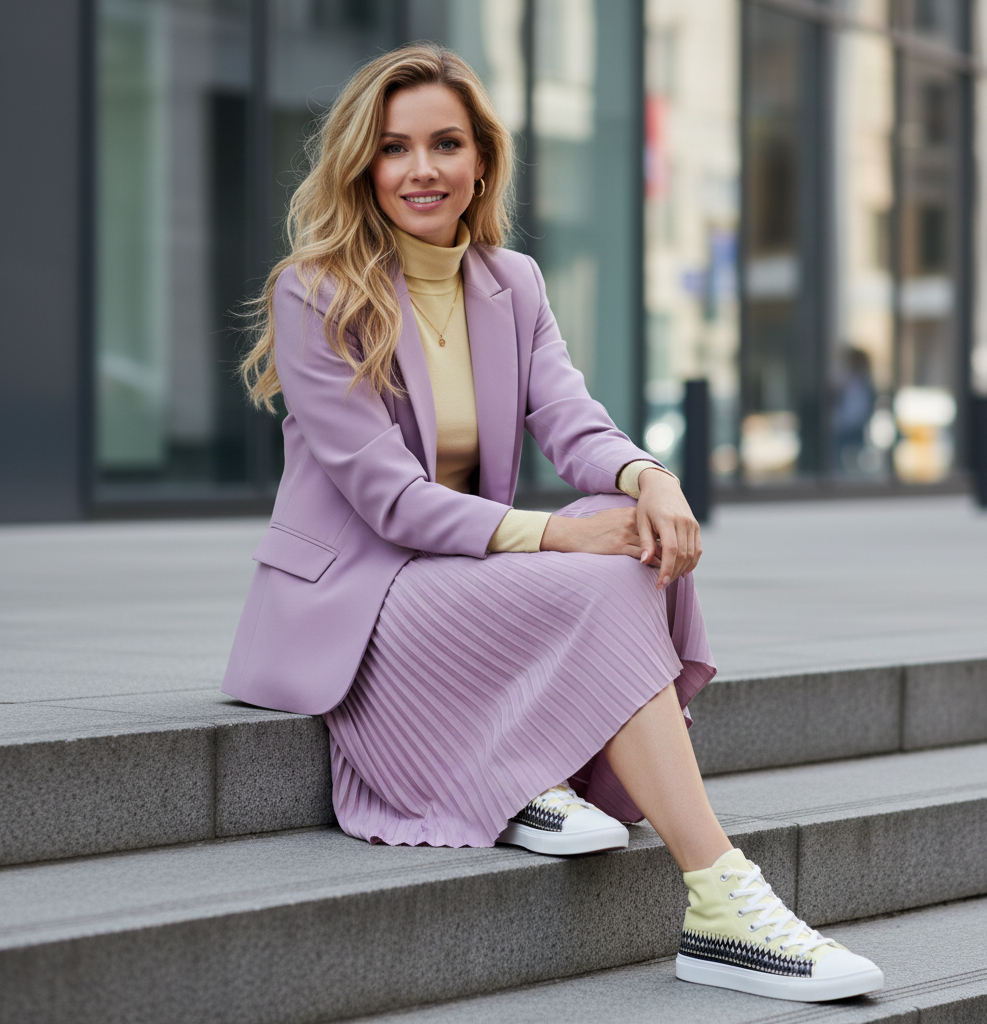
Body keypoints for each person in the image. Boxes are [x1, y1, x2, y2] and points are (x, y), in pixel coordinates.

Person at [224, 43, 883, 1004]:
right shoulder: (314, 291)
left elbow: (571, 420)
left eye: (445, 144)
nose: (422, 169)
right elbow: (389, 501)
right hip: (363, 590)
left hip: (461, 573)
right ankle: (722, 897)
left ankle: (612, 827)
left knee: (628, 530)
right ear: (364, 164)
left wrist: (648, 477)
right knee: (593, 554)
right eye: (396, 147)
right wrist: (559, 534)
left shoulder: (513, 282)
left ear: (481, 161)